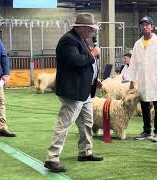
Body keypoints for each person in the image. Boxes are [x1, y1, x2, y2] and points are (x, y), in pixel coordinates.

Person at [44, 13, 103, 173]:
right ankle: (52, 158)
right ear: (82, 27)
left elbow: (83, 65)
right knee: (64, 124)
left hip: (84, 90)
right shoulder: (68, 40)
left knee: (87, 123)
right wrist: (93, 54)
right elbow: (77, 61)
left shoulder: (79, 39)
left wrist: (93, 79)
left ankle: (85, 152)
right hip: (73, 91)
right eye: (90, 29)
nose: (91, 32)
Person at [128, 16, 157, 143]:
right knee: (144, 106)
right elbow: (133, 63)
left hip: (156, 79)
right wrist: (132, 80)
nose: (145, 27)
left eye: (147, 24)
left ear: (152, 27)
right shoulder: (137, 44)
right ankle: (146, 131)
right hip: (143, 80)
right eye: (143, 25)